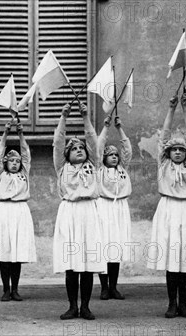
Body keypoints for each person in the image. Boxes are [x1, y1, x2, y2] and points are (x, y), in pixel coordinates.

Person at [147, 92, 186, 319]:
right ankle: (171, 303)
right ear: (168, 152)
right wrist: (171, 110)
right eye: (174, 149)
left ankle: (184, 304)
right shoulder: (163, 163)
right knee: (172, 257)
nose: (178, 152)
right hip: (169, 208)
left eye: (181, 149)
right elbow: (164, 136)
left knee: (185, 258)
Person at [53, 103, 105, 320]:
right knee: (72, 265)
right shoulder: (61, 167)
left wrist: (85, 117)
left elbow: (94, 141)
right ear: (67, 154)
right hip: (69, 212)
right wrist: (63, 117)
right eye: (74, 149)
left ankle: (86, 307)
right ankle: (72, 306)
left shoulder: (93, 164)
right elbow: (57, 142)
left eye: (81, 148)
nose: (79, 151)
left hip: (89, 212)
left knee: (87, 264)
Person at [0, 119, 37, 302]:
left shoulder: (24, 174)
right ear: (6, 163)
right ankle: (5, 289)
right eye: (12, 161)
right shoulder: (0, 175)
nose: (15, 164)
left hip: (21, 211)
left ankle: (15, 289)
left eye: (18, 161)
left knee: (16, 252)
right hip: (4, 211)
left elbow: (26, 154)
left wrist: (21, 134)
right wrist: (6, 133)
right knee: (5, 252)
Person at [96, 115, 133, 300]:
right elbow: (98, 146)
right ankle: (103, 287)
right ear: (104, 157)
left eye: (115, 155)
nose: (114, 157)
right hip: (103, 207)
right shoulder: (99, 170)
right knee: (105, 248)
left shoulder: (122, 169)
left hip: (120, 208)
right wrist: (105, 126)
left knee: (116, 249)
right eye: (110, 155)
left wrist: (119, 129)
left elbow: (128, 150)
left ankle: (114, 287)